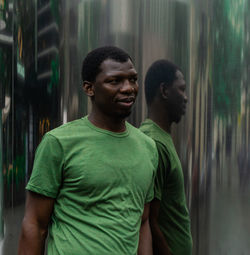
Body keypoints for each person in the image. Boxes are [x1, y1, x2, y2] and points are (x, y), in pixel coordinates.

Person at [18, 46, 158, 255]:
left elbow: (143, 222)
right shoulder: (59, 143)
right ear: (89, 88)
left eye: (133, 79)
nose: (129, 88)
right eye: (115, 81)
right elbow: (35, 225)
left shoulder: (148, 147)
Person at [140, 59, 192, 255]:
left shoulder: (161, 137)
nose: (186, 98)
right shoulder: (153, 142)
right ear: (164, 91)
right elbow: (147, 220)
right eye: (182, 89)